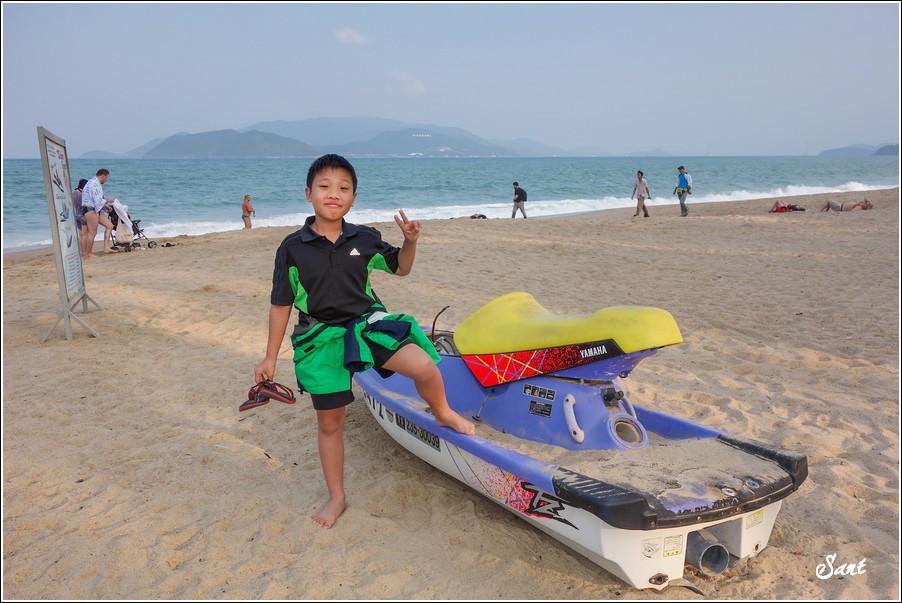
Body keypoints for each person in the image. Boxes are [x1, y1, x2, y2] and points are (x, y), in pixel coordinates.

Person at [253, 154, 475, 530]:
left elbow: (401, 267)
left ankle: (442, 411)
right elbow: (281, 304)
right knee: (331, 423)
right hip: (320, 338)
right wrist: (270, 357)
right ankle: (337, 497)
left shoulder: (365, 238)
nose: (333, 194)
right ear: (308, 194)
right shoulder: (292, 248)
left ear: (353, 198)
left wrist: (410, 242)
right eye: (324, 186)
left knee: (423, 364)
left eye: (343, 188)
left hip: (365, 326)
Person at [80, 169, 117, 256]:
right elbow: (98, 201)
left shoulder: (91, 182)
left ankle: (106, 247)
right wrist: (108, 200)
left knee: (110, 225)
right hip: (89, 209)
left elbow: (95, 200)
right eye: (106, 178)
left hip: (95, 209)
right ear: (103, 176)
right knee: (92, 232)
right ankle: (89, 252)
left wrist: (105, 207)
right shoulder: (95, 184)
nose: (106, 180)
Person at [73, 178, 90, 256]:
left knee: (81, 234)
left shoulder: (74, 193)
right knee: (84, 234)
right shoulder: (80, 194)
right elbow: (84, 205)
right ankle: (85, 251)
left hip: (77, 215)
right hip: (83, 216)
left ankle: (81, 251)